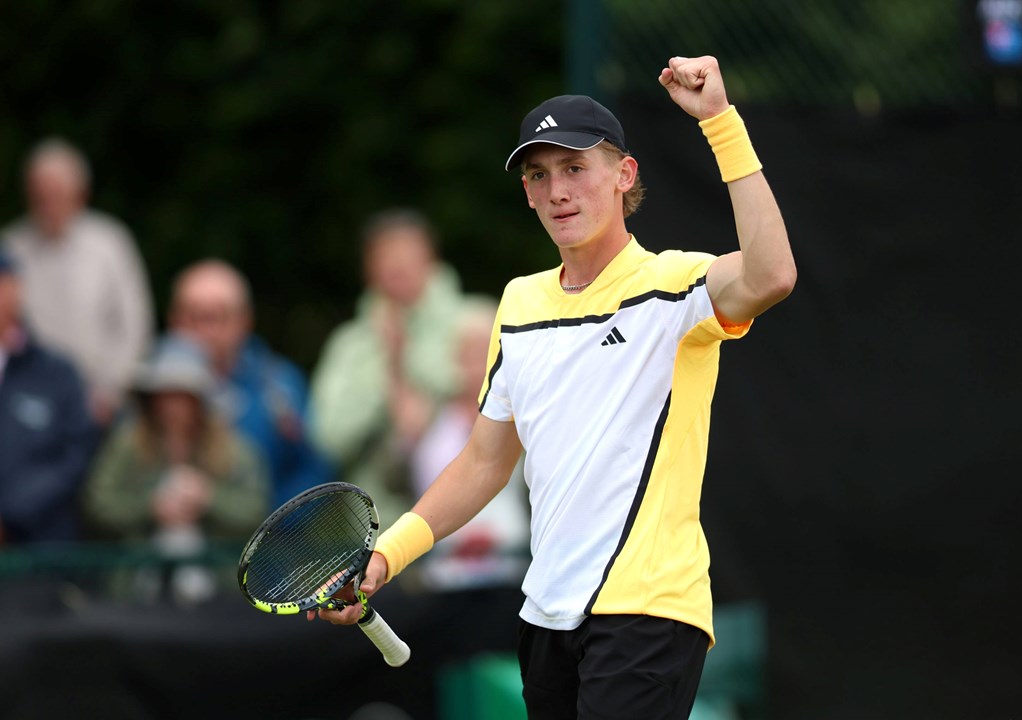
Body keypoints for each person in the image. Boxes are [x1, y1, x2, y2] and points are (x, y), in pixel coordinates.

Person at [313, 56, 797, 720]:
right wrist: (387, 556)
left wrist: (719, 120)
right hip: (545, 614)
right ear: (527, 194)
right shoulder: (517, 304)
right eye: (539, 175)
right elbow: (484, 461)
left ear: (624, 176)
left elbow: (772, 274)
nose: (557, 190)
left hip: (648, 609)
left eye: (575, 168)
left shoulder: (674, 285)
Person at [82, 332, 270, 603]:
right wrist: (150, 507)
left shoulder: (234, 450)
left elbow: (257, 510)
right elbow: (98, 503)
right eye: (166, 395)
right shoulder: (127, 444)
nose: (174, 407)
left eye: (183, 396)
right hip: (135, 588)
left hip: (218, 590)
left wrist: (208, 498)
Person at [308, 207, 465, 527]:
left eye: (407, 253)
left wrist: (431, 399)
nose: (397, 265)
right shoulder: (349, 346)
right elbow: (327, 438)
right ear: (368, 268)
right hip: (378, 528)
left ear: (431, 258)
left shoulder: (476, 324)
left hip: (467, 523)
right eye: (386, 255)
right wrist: (384, 389)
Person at [0, 137, 155, 432]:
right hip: (30, 400)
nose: (47, 205)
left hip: (104, 399)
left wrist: (112, 391)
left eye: (56, 194)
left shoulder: (111, 243)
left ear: (80, 194)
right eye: (39, 196)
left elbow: (135, 326)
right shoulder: (11, 248)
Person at [167, 258, 336, 509]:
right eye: (195, 316)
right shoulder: (148, 389)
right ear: (174, 320)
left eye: (219, 316)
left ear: (244, 320)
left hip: (269, 540)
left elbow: (314, 469)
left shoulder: (281, 388)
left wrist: (270, 524)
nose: (206, 330)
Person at [408, 294, 530, 593]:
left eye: (484, 351)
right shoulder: (429, 416)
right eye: (468, 353)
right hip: (442, 569)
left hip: (511, 567)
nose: (476, 364)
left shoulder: (525, 411)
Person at [0, 251, 99, 545]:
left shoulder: (56, 374)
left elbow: (75, 455)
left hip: (39, 551)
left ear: (15, 289)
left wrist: (10, 515)